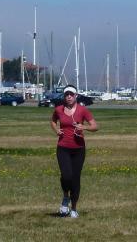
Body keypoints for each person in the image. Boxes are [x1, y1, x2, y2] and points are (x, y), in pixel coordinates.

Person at [49, 85, 98, 218]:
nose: (69, 97)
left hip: (79, 149)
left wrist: (85, 127)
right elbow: (53, 121)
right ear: (64, 97)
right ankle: (65, 198)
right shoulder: (58, 109)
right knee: (66, 175)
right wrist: (56, 130)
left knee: (75, 178)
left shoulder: (83, 110)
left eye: (71, 94)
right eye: (66, 95)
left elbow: (95, 126)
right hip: (63, 147)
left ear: (76, 96)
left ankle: (74, 208)